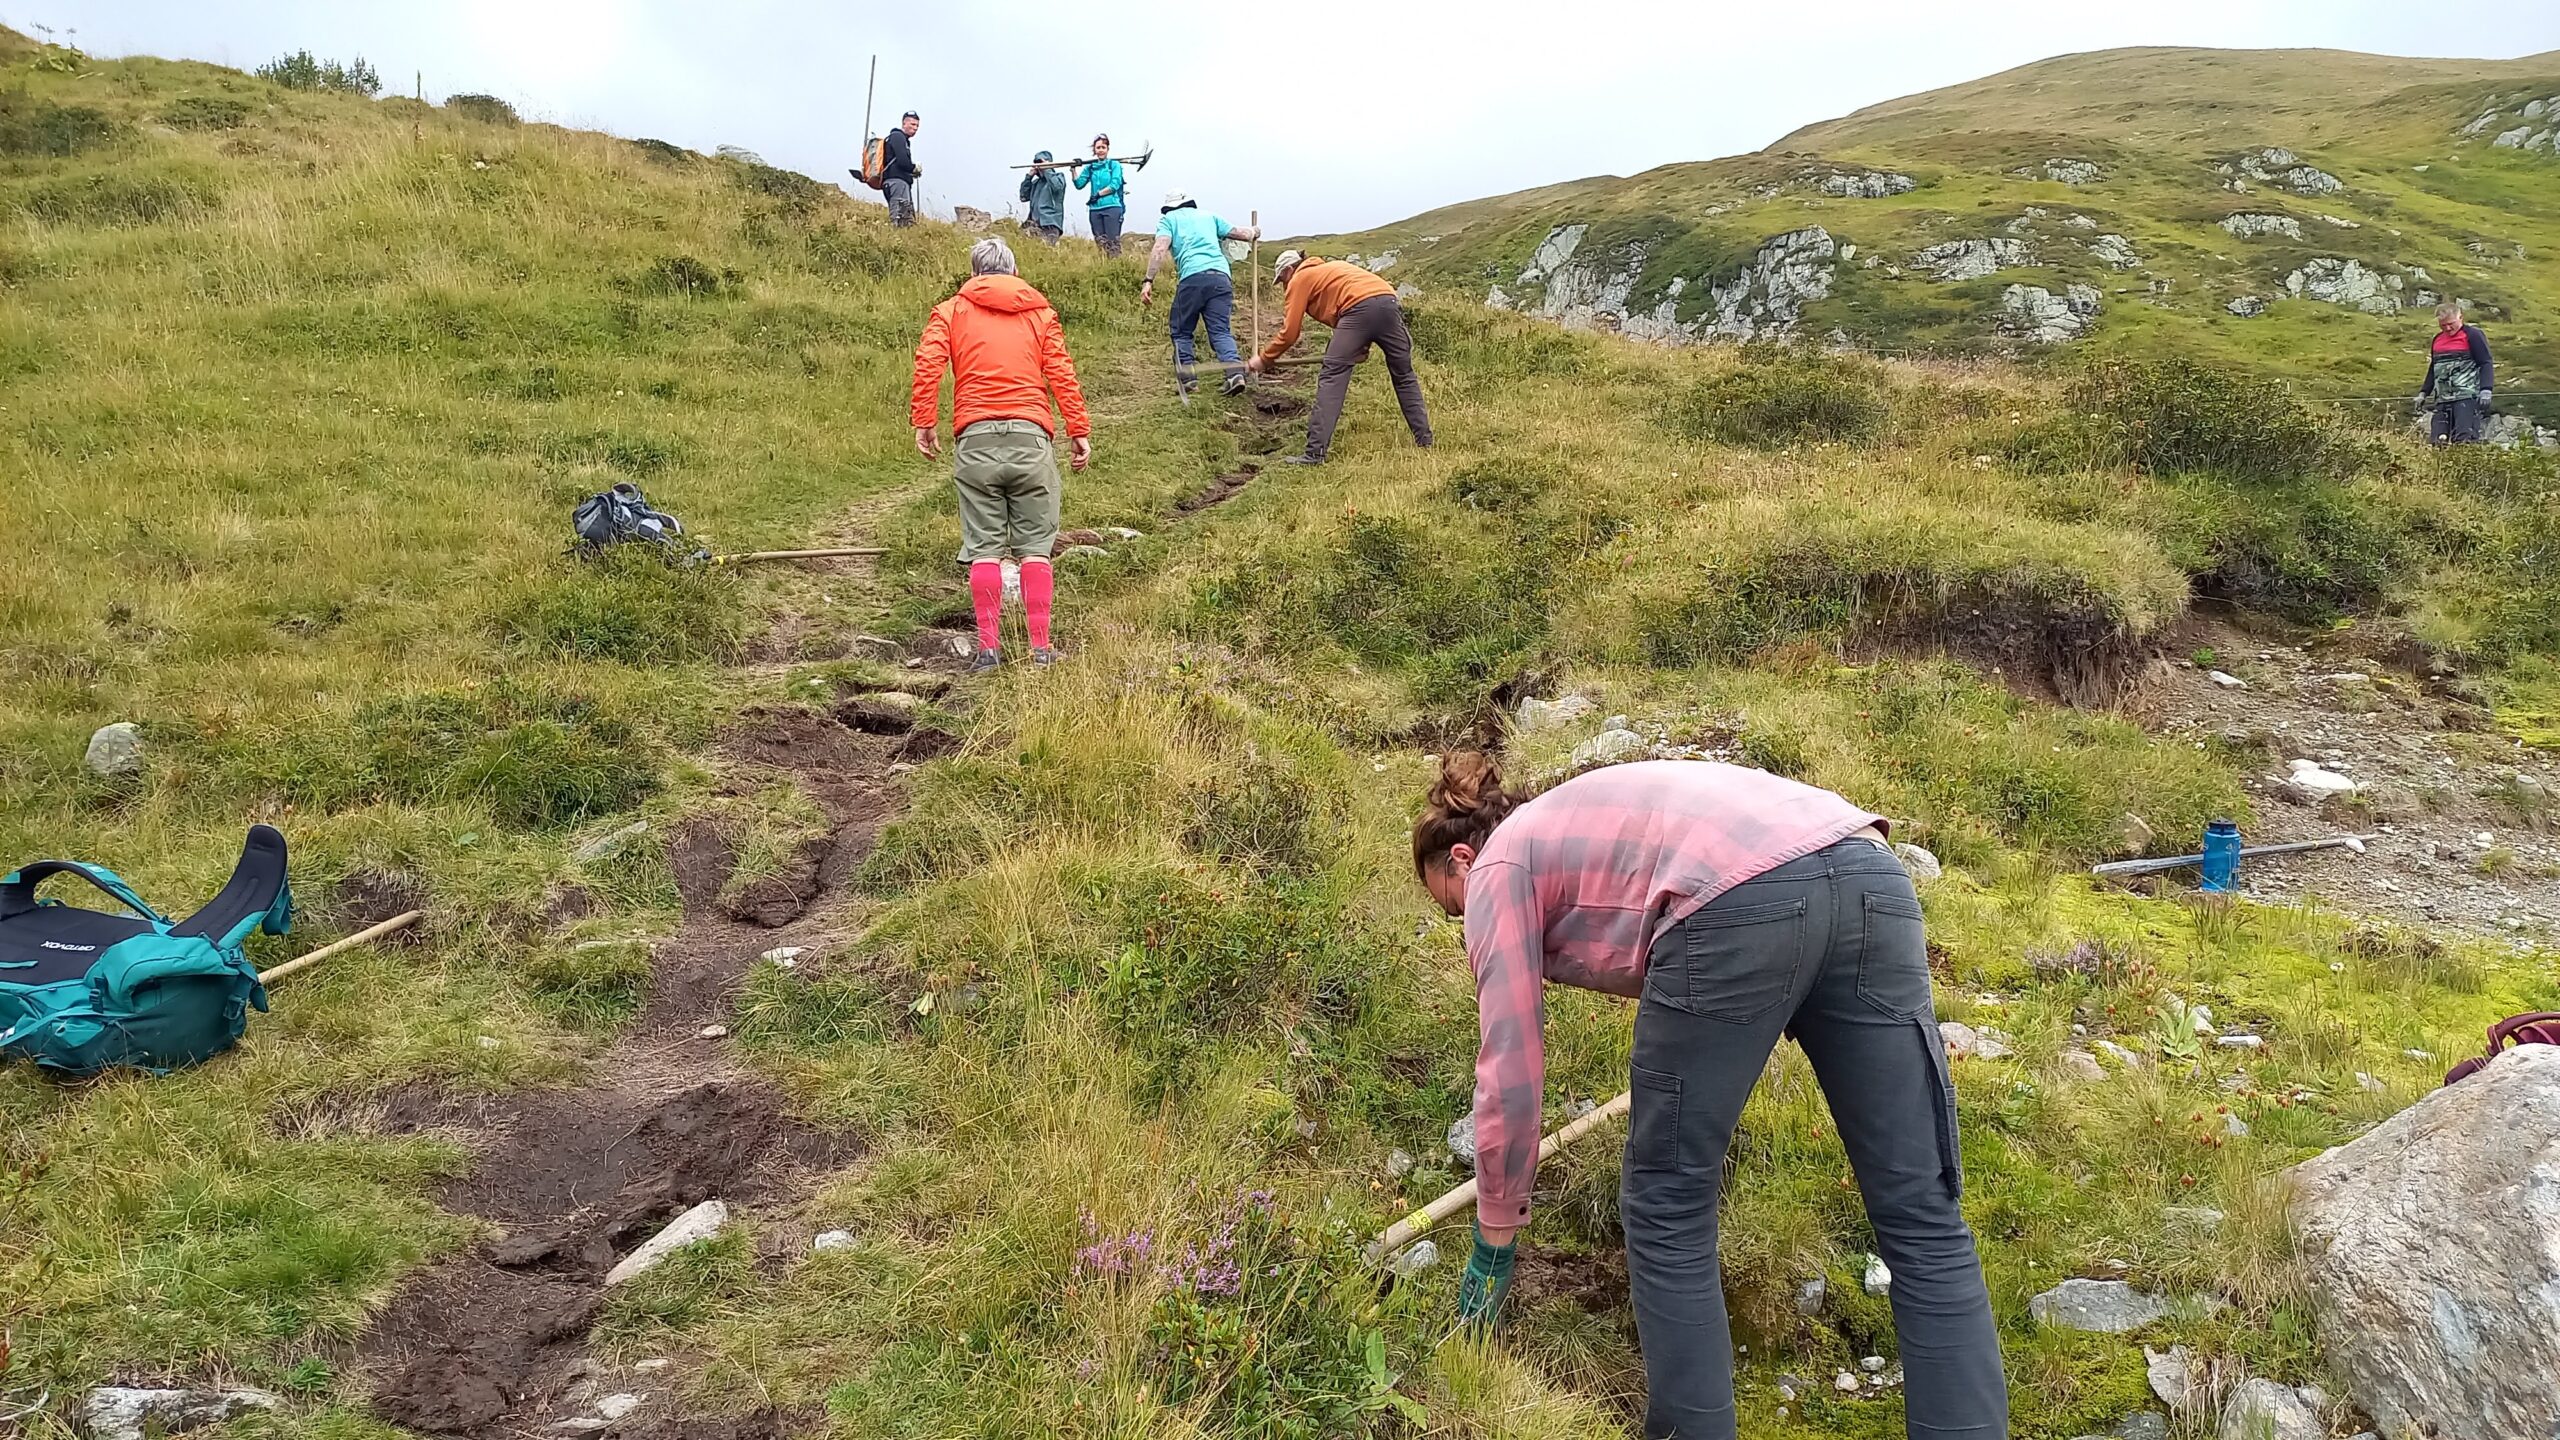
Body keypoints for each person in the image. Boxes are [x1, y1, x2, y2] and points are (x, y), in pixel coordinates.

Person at [1414, 753, 2007, 1440]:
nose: (1466, 926)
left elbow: (1511, 1067)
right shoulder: (1576, 819)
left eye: (1452, 907)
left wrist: (1495, 1236)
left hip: (1738, 901)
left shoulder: (1498, 864)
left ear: (1461, 858)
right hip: (1868, 869)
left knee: (1667, 1199)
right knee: (1922, 1213)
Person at [909, 238, 1090, 672]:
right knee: (1035, 550)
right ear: (1012, 269)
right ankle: (1041, 650)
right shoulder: (1039, 314)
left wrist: (925, 420)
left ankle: (988, 651)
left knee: (985, 549)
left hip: (975, 440)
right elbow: (1062, 373)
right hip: (1032, 438)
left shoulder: (950, 311)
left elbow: (928, 364)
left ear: (975, 272)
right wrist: (1078, 429)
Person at [1250, 251, 1434, 464]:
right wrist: (1360, 345)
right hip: (1388, 301)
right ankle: (1425, 441)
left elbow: (1290, 333)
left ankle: (1314, 454)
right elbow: (1357, 304)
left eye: (1282, 280)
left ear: (1289, 270)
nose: (1284, 287)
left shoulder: (1300, 277)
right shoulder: (1333, 268)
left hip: (1358, 308)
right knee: (1404, 375)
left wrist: (1264, 359)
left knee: (1332, 378)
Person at [1141, 193, 1260, 396]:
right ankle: (1234, 374)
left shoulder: (1168, 220)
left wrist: (1148, 280)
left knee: (1181, 330)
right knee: (1221, 330)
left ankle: (1188, 380)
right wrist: (1255, 230)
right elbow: (1242, 234)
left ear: (1170, 207)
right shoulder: (1209, 216)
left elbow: (1160, 248)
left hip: (1192, 278)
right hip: (1221, 278)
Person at [2418, 303, 2494, 445]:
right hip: (2442, 399)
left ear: (2461, 318)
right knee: (2438, 442)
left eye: (2451, 324)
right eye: (2443, 325)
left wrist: (2486, 389)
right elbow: (2434, 367)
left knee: (2465, 439)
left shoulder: (2473, 335)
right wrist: (2424, 392)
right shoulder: (2437, 339)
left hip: (2466, 397)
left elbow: (2485, 362)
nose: (2447, 328)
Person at [1070, 134, 1128, 257]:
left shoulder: (1114, 165)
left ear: (1107, 149)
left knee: (1113, 243)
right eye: (1098, 148)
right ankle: (1103, 267)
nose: (1101, 150)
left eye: (1103, 147)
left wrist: (1098, 194)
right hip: (1095, 210)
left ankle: (1116, 268)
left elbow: (1114, 185)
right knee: (1100, 243)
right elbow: (1079, 184)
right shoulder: (1091, 168)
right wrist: (1073, 170)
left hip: (1112, 207)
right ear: (1094, 150)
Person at [881, 111, 921, 228]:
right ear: (904, 123)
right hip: (897, 183)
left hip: (893, 183)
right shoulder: (898, 137)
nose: (915, 128)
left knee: (905, 218)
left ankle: (901, 240)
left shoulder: (898, 138)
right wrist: (914, 168)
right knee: (900, 220)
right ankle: (896, 242)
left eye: (917, 126)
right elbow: (903, 161)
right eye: (912, 124)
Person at [1018, 151, 1067, 245]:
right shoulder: (1036, 183)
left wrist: (1047, 168)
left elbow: (1057, 187)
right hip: (1033, 223)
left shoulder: (1059, 177)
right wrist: (1029, 177)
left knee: (1047, 250)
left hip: (1050, 224)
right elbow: (1023, 197)